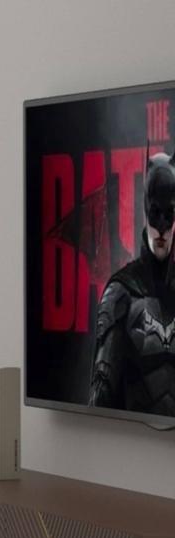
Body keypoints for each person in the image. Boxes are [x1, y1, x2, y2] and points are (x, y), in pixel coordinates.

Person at [91, 154, 175, 414]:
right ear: (145, 210)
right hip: (128, 446)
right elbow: (100, 399)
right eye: (155, 213)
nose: (161, 226)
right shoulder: (121, 292)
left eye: (169, 214)